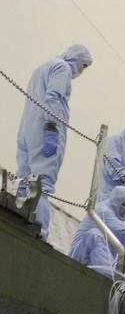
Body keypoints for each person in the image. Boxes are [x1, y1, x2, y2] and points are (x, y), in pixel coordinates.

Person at [15, 43, 93, 241]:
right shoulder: (63, 69)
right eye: (83, 66)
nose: (82, 71)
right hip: (43, 134)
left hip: (27, 131)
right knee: (41, 186)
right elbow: (53, 99)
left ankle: (15, 220)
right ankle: (39, 234)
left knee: (23, 180)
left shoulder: (42, 67)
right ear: (77, 59)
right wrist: (51, 130)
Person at [69, 185, 125, 280]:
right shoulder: (103, 211)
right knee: (95, 234)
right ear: (116, 201)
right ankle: (115, 278)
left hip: (105, 264)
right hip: (83, 259)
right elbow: (124, 233)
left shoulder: (118, 220)